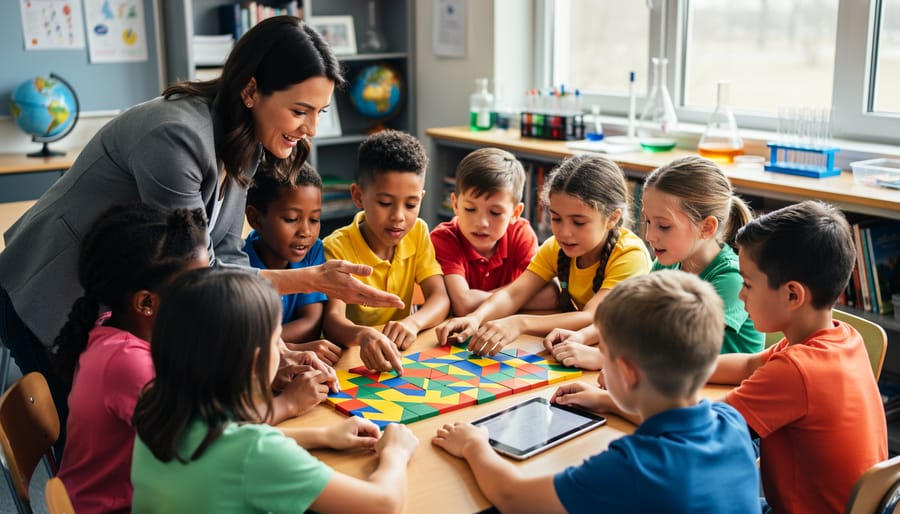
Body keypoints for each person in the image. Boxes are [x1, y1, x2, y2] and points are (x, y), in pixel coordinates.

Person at [0, 16, 400, 433]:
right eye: (300, 111)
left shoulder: (245, 139)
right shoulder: (176, 136)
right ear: (250, 90)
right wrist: (310, 282)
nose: (310, 130)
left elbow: (227, 252)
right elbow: (195, 277)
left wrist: (276, 347)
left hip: (124, 307)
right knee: (98, 450)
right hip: (54, 293)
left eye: (319, 112)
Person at [432, 270, 760, 513]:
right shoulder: (730, 421)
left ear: (628, 373)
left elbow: (512, 496)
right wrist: (608, 401)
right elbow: (677, 428)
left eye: (605, 353)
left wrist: (474, 445)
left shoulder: (632, 466)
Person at [131, 268, 418, 513]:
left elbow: (227, 439)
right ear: (256, 362)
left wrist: (321, 436)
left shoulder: (157, 407)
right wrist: (395, 451)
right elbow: (382, 504)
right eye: (277, 341)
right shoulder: (255, 452)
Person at [708, 201, 887, 514]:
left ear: (792, 295)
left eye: (748, 284)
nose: (741, 295)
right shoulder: (839, 338)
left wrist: (613, 398)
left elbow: (699, 428)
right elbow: (749, 365)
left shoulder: (797, 370)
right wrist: (662, 369)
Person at [53, 204, 208, 513]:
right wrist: (290, 409)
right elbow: (206, 446)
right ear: (146, 303)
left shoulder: (115, 327)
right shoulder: (126, 362)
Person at [546, 156, 763, 369]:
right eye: (648, 221)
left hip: (721, 394)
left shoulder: (733, 278)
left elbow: (679, 348)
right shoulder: (666, 264)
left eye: (664, 226)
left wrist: (605, 359)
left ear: (706, 227)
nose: (649, 235)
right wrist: (581, 336)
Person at [434, 153, 651, 356]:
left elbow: (592, 316)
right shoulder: (556, 247)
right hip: (581, 347)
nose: (564, 232)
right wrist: (475, 318)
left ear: (612, 218)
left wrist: (519, 323)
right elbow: (513, 294)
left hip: (624, 354)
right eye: (556, 219)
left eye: (578, 222)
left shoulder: (630, 255)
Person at [323, 130, 450, 373]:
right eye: (385, 203)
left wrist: (413, 323)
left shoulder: (418, 232)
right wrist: (363, 335)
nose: (399, 217)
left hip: (399, 354)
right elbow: (332, 321)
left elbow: (440, 297)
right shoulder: (336, 247)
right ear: (358, 196)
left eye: (411, 204)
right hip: (352, 359)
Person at [430, 147, 558, 316]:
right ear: (455, 204)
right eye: (469, 209)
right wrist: (519, 296)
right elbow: (464, 305)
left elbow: (553, 296)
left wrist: (502, 300)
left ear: (515, 213)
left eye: (495, 213)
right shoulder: (445, 238)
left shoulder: (521, 233)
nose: (481, 223)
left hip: (508, 332)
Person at [245, 161, 343, 365]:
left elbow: (312, 322)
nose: (306, 232)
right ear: (255, 218)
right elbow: (244, 343)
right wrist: (295, 348)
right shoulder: (241, 265)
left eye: (314, 220)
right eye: (291, 219)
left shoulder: (313, 250)